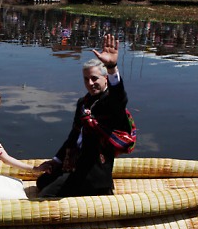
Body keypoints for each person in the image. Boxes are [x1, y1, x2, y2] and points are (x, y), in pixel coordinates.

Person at [36, 34, 136, 198]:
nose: (90, 83)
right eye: (86, 79)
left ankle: (101, 190)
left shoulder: (110, 103)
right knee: (42, 182)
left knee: (45, 196)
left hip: (93, 173)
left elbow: (120, 97)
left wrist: (112, 67)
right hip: (76, 164)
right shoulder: (83, 102)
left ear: (105, 79)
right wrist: (57, 160)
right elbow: (74, 136)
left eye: (94, 78)